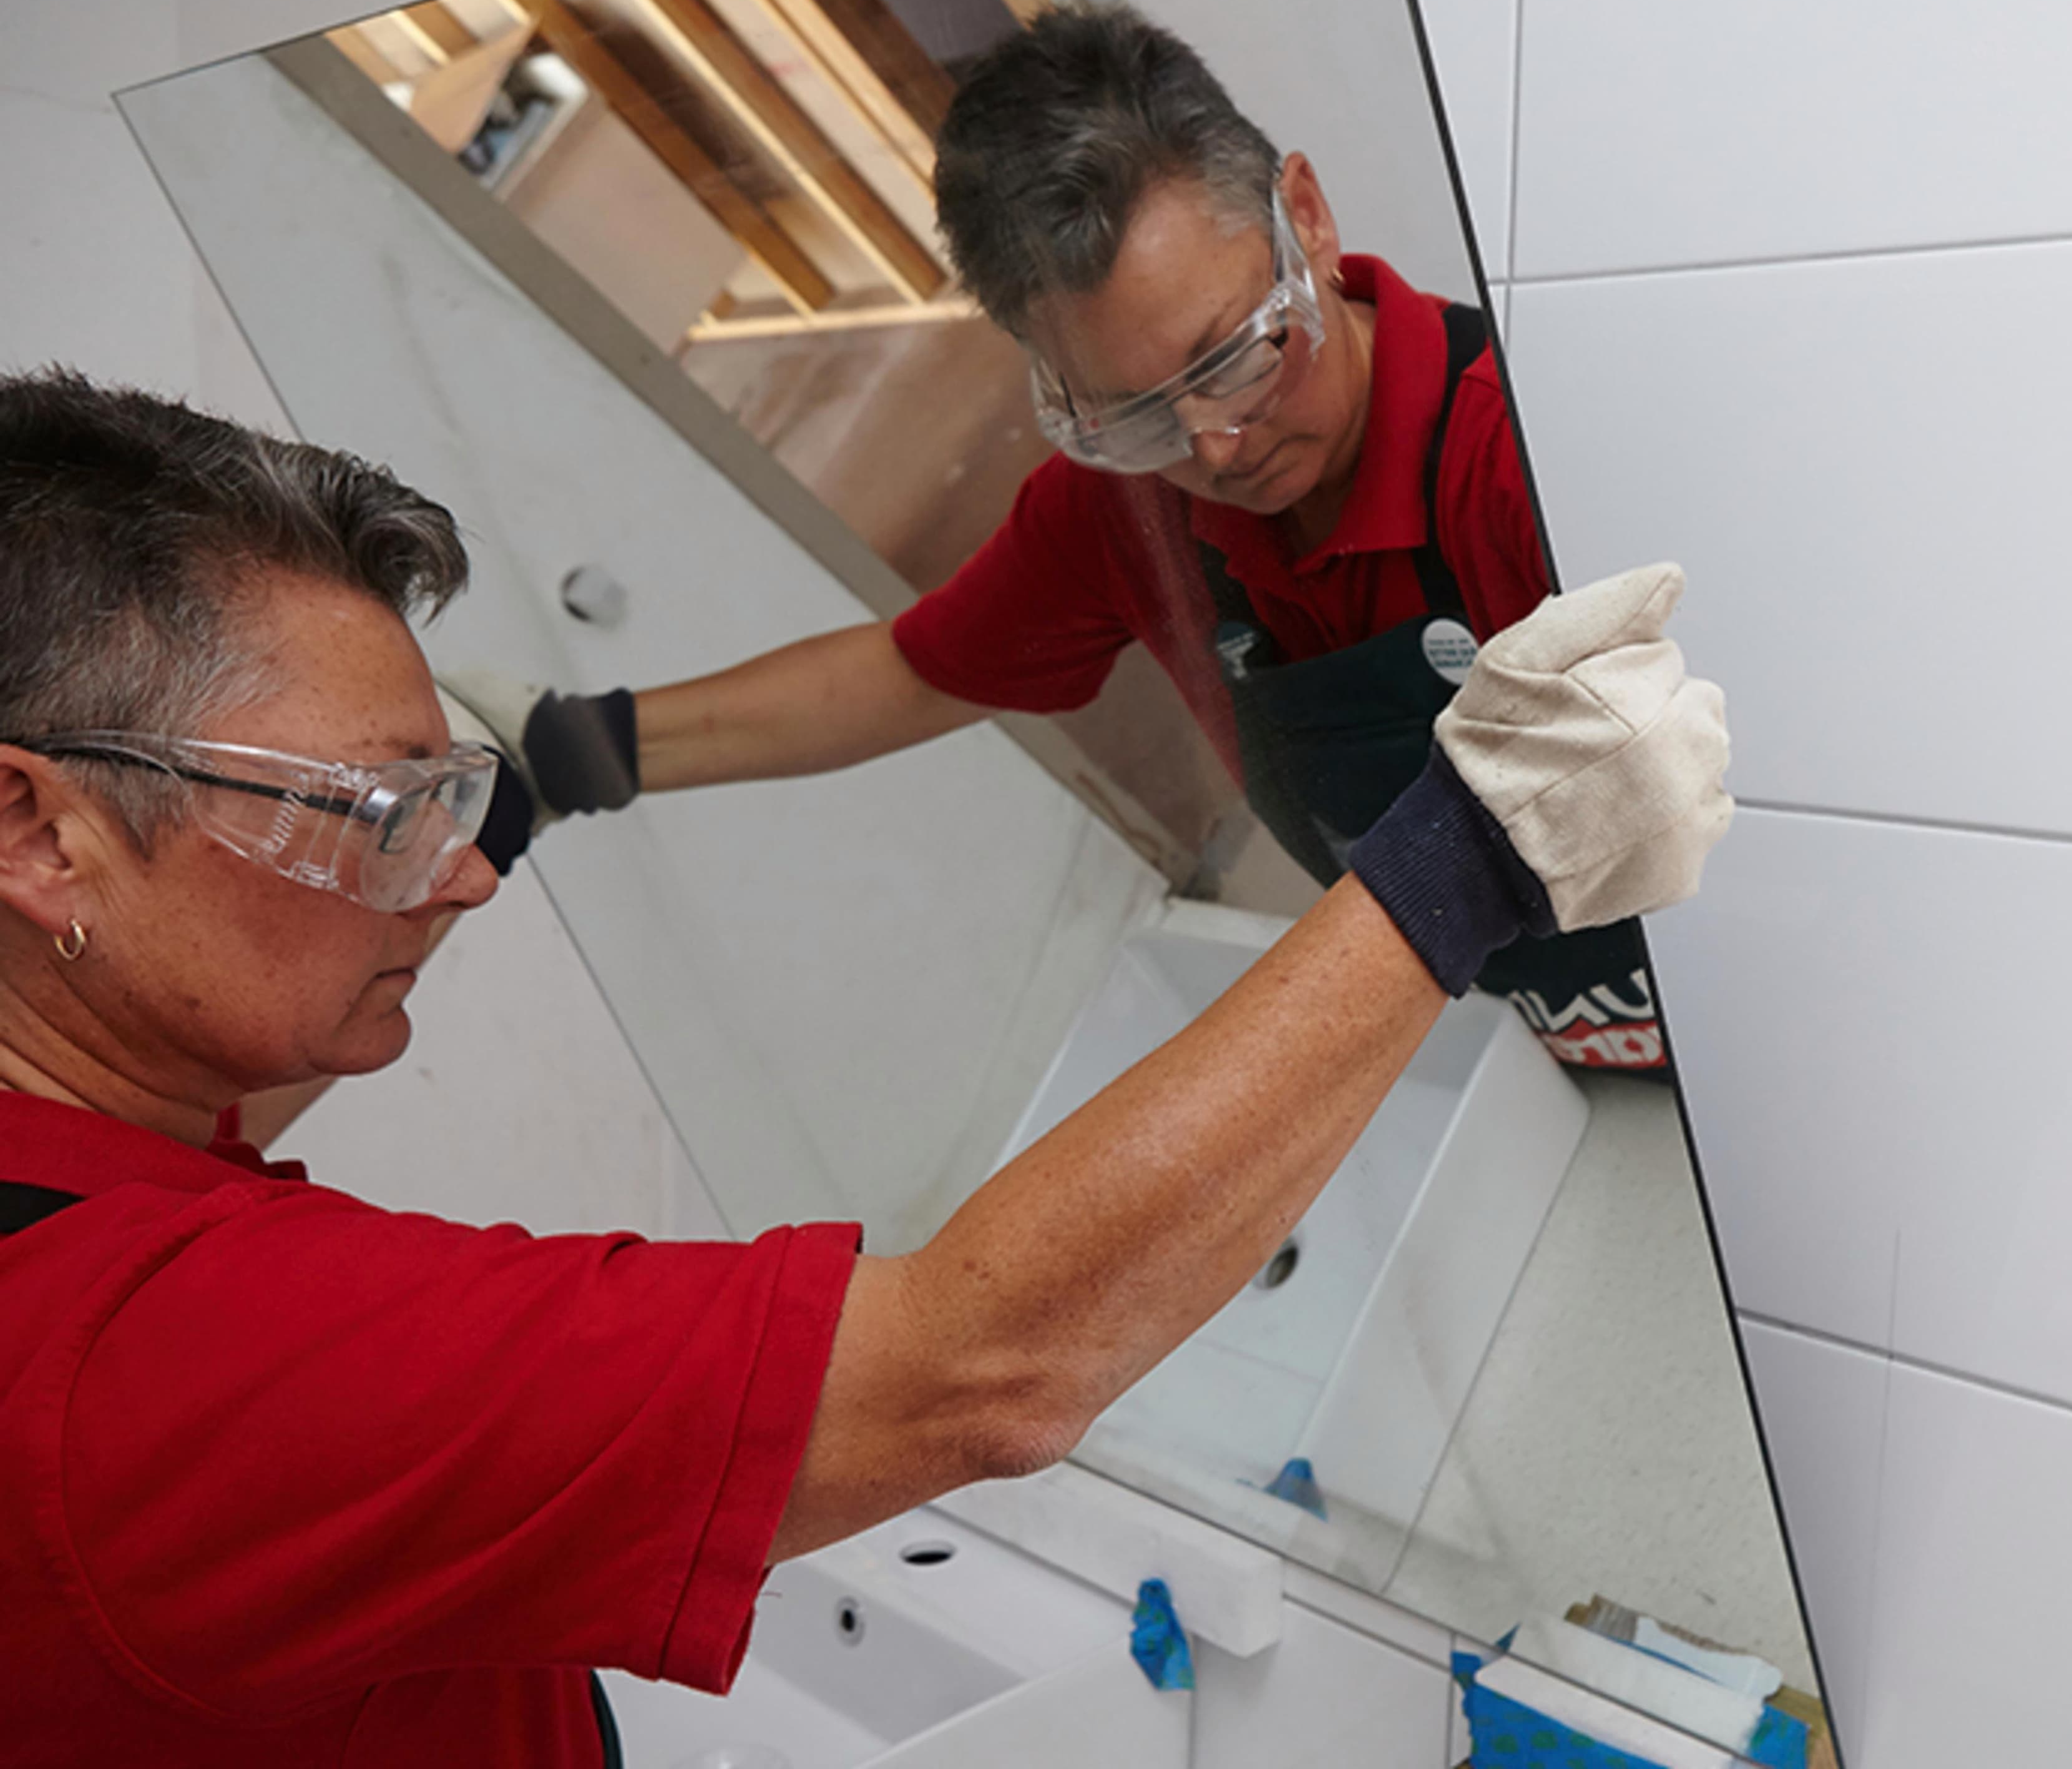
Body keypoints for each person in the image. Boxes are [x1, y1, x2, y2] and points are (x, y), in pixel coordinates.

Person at [0, 371, 1727, 1765]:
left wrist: (530, 787)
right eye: (377, 816)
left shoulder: (68, 1154)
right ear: (39, 829)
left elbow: (224, 1053)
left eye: (445, 806)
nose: (449, 878)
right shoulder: (137, 1372)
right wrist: (1475, 861)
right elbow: (979, 1369)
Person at [457, 5, 1670, 1074]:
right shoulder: (1132, 509)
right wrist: (568, 753)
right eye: (1137, 412)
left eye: (1235, 355)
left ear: (1304, 217)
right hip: (1549, 1043)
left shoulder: (1529, 463)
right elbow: (906, 675)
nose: (1215, 448)